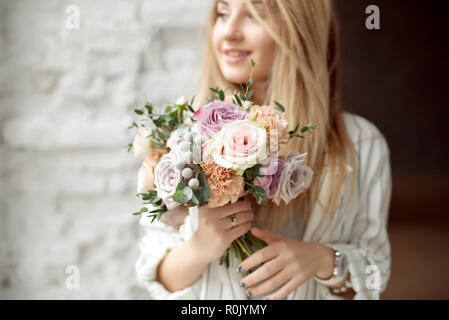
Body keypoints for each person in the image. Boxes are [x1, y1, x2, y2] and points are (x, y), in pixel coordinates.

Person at [135, 0, 392, 300]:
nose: (229, 32)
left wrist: (321, 261)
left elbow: (373, 276)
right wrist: (201, 246)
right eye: (222, 13)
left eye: (255, 15)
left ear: (299, 27)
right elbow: (159, 276)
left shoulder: (362, 144)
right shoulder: (180, 138)